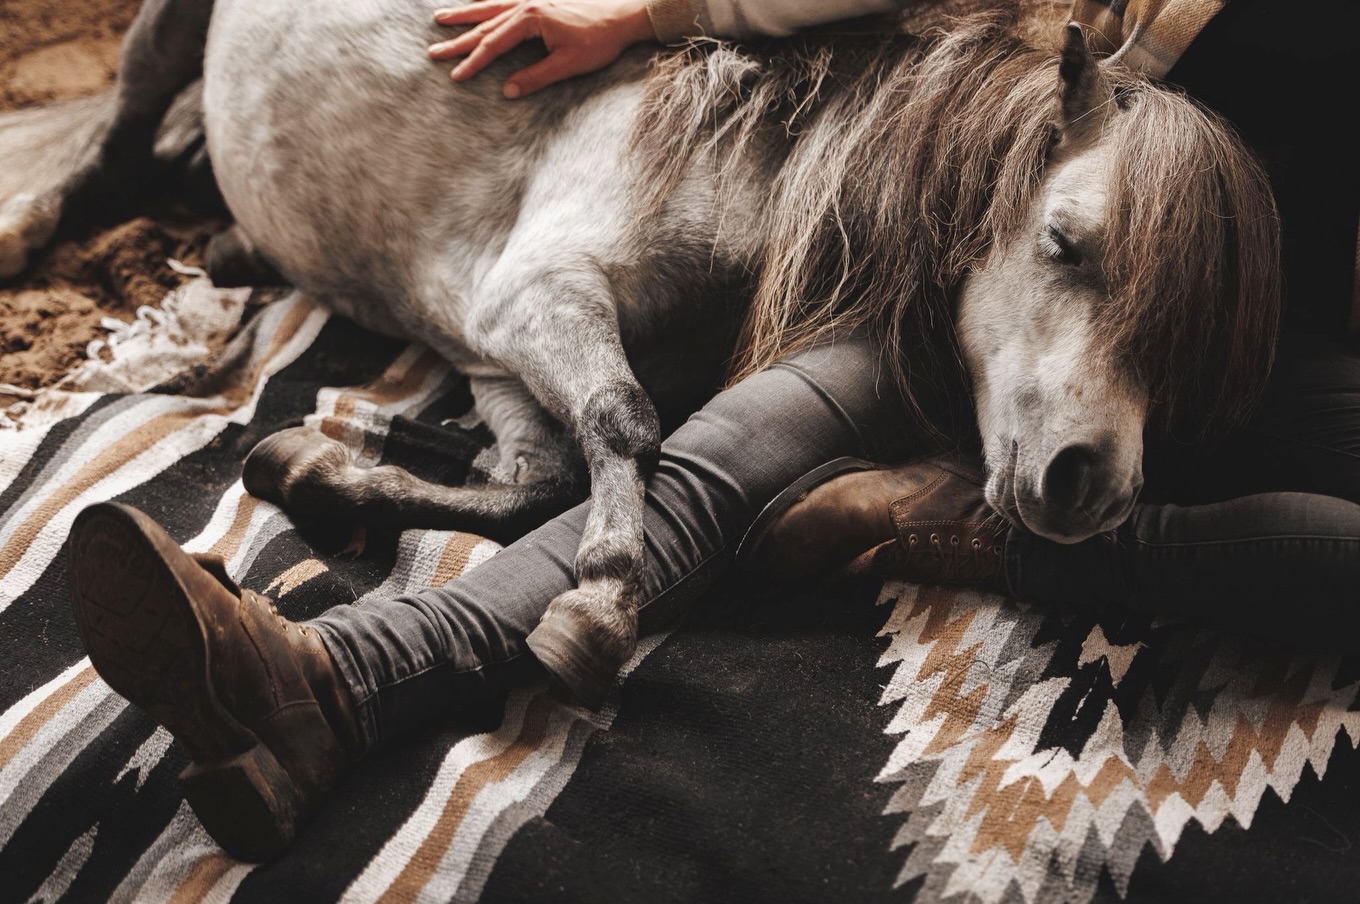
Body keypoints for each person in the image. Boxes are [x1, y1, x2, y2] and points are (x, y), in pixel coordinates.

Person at [66, 0, 1360, 862]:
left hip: (1244, 343)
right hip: (1043, 273)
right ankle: (327, 682)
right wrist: (659, 13)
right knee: (726, 455)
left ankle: (970, 535)